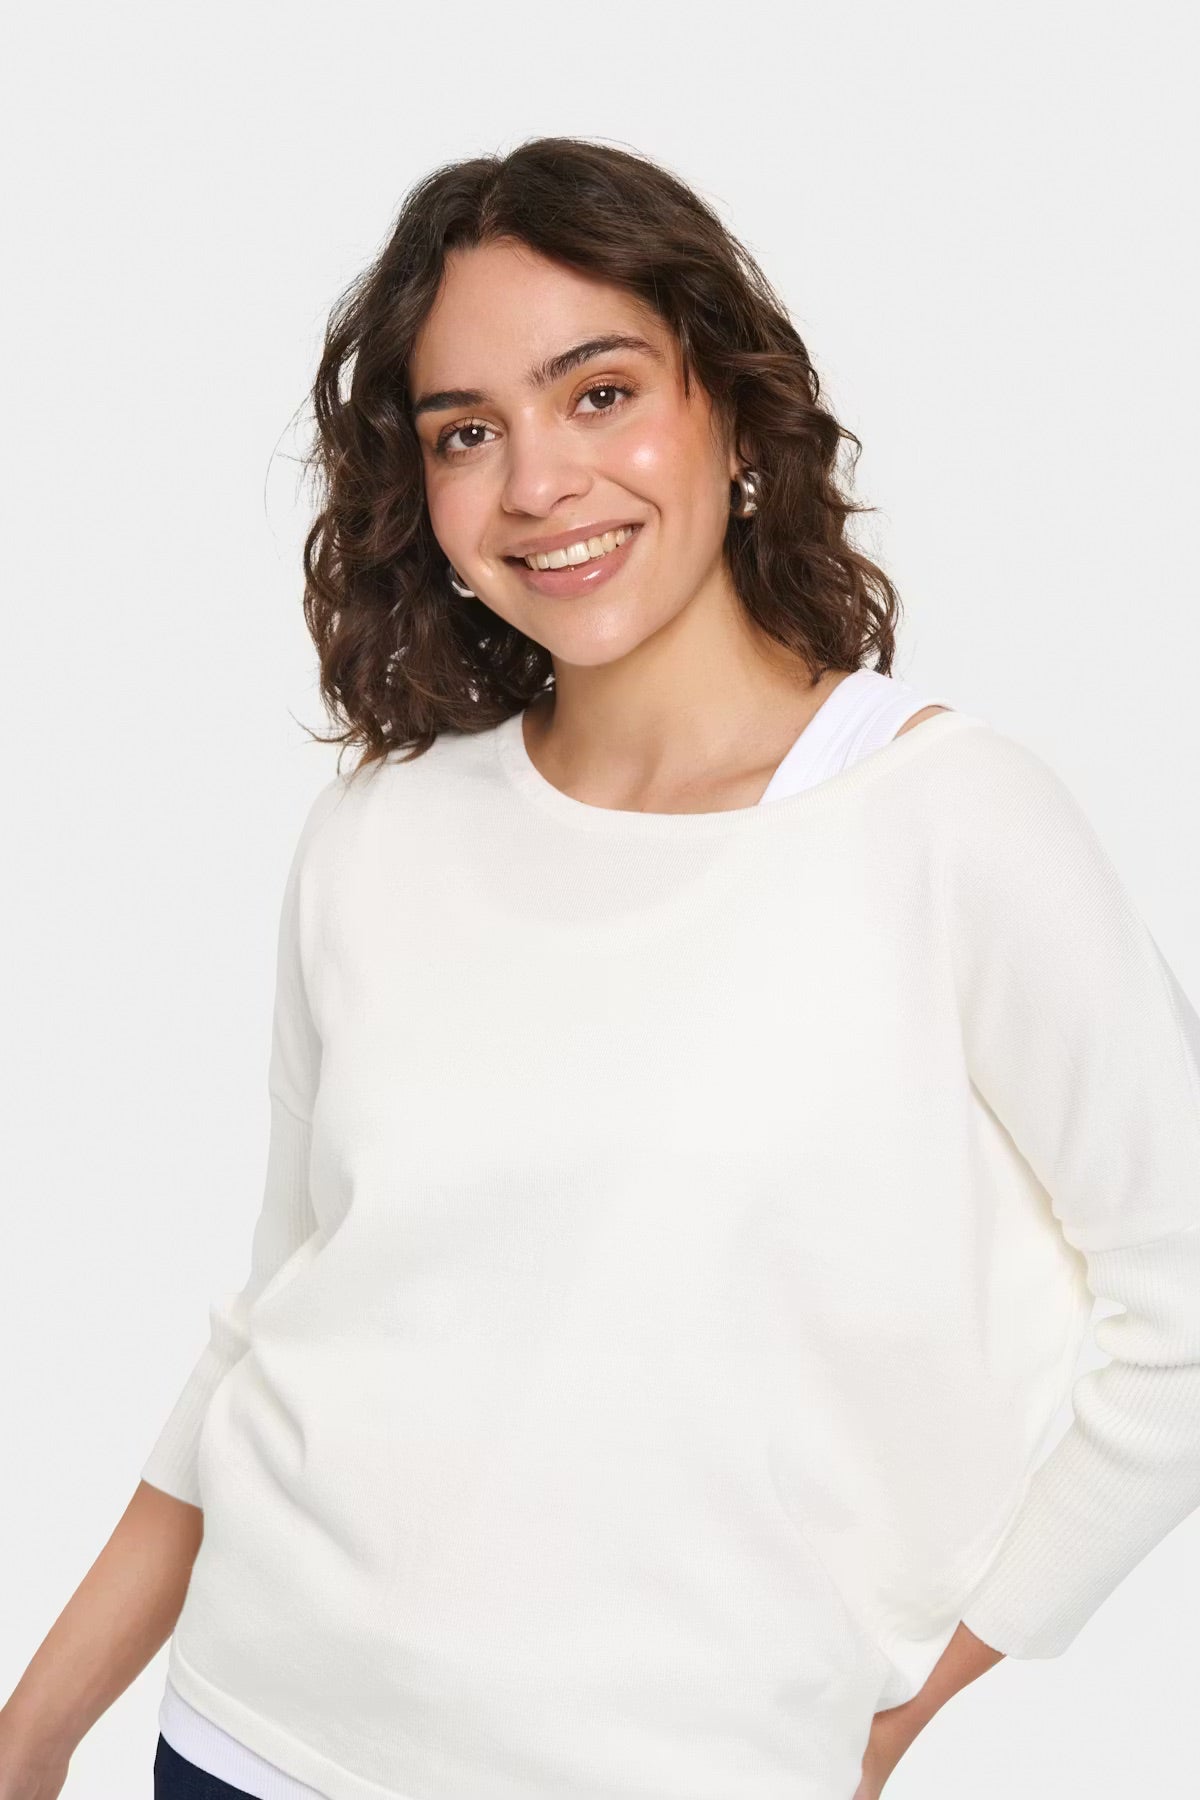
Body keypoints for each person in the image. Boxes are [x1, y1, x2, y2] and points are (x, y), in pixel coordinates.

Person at [3, 136, 1200, 1800]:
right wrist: (33, 1732)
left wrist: (915, 1697)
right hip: (247, 1741)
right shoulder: (380, 833)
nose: (538, 484)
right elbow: (279, 1315)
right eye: (466, 431)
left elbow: (1181, 1310)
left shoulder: (951, 825)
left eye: (601, 392)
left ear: (735, 412)